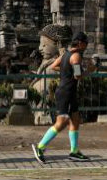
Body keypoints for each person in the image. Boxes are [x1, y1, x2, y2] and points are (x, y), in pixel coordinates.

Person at [32, 31, 93, 164]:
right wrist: (89, 70)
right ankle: (40, 147)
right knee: (61, 122)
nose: (86, 46)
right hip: (67, 92)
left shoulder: (66, 54)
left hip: (67, 91)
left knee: (75, 119)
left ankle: (74, 151)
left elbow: (54, 66)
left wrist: (67, 70)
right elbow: (77, 75)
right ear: (81, 43)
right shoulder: (76, 56)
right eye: (86, 44)